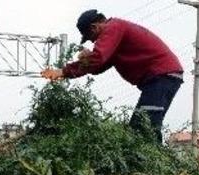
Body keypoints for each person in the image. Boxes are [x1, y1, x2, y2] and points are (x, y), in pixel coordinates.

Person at [41, 9, 184, 143]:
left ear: (94, 27)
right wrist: (77, 66)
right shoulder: (115, 37)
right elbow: (98, 67)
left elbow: (98, 58)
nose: (93, 42)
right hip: (162, 77)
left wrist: (63, 71)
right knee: (141, 124)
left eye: (91, 38)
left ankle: (153, 159)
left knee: (144, 126)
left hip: (162, 75)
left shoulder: (113, 27)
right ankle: (152, 158)